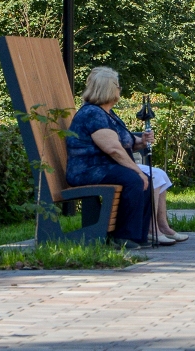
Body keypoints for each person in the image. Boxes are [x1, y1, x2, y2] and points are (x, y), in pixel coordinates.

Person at [66, 67, 175, 246]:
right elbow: (113, 149)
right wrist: (137, 171)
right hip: (88, 170)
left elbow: (127, 142)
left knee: (142, 178)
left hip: (103, 167)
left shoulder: (107, 113)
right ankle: (124, 236)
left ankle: (138, 235)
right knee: (136, 180)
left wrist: (142, 140)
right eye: (117, 85)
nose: (119, 89)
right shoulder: (92, 114)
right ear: (108, 89)